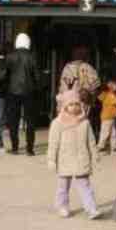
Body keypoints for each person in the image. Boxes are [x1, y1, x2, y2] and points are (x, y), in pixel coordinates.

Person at [47, 90, 102, 219]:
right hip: (65, 159)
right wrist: (51, 159)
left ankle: (91, 208)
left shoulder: (85, 122)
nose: (74, 107)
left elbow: (91, 141)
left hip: (81, 159)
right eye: (71, 104)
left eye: (77, 104)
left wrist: (95, 154)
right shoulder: (58, 123)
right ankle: (62, 206)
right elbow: (53, 143)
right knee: (63, 186)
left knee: (85, 185)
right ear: (65, 106)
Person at [4, 33, 39, 156]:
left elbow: (5, 75)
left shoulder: (10, 57)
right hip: (29, 91)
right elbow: (37, 76)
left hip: (13, 91)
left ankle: (15, 148)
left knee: (13, 120)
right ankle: (29, 148)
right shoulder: (32, 57)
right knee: (30, 121)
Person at [97, 80, 116, 154]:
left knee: (112, 132)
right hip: (108, 117)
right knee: (106, 132)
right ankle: (101, 146)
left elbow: (100, 97)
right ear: (111, 87)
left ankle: (113, 147)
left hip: (110, 116)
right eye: (115, 86)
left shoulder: (107, 94)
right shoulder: (111, 95)